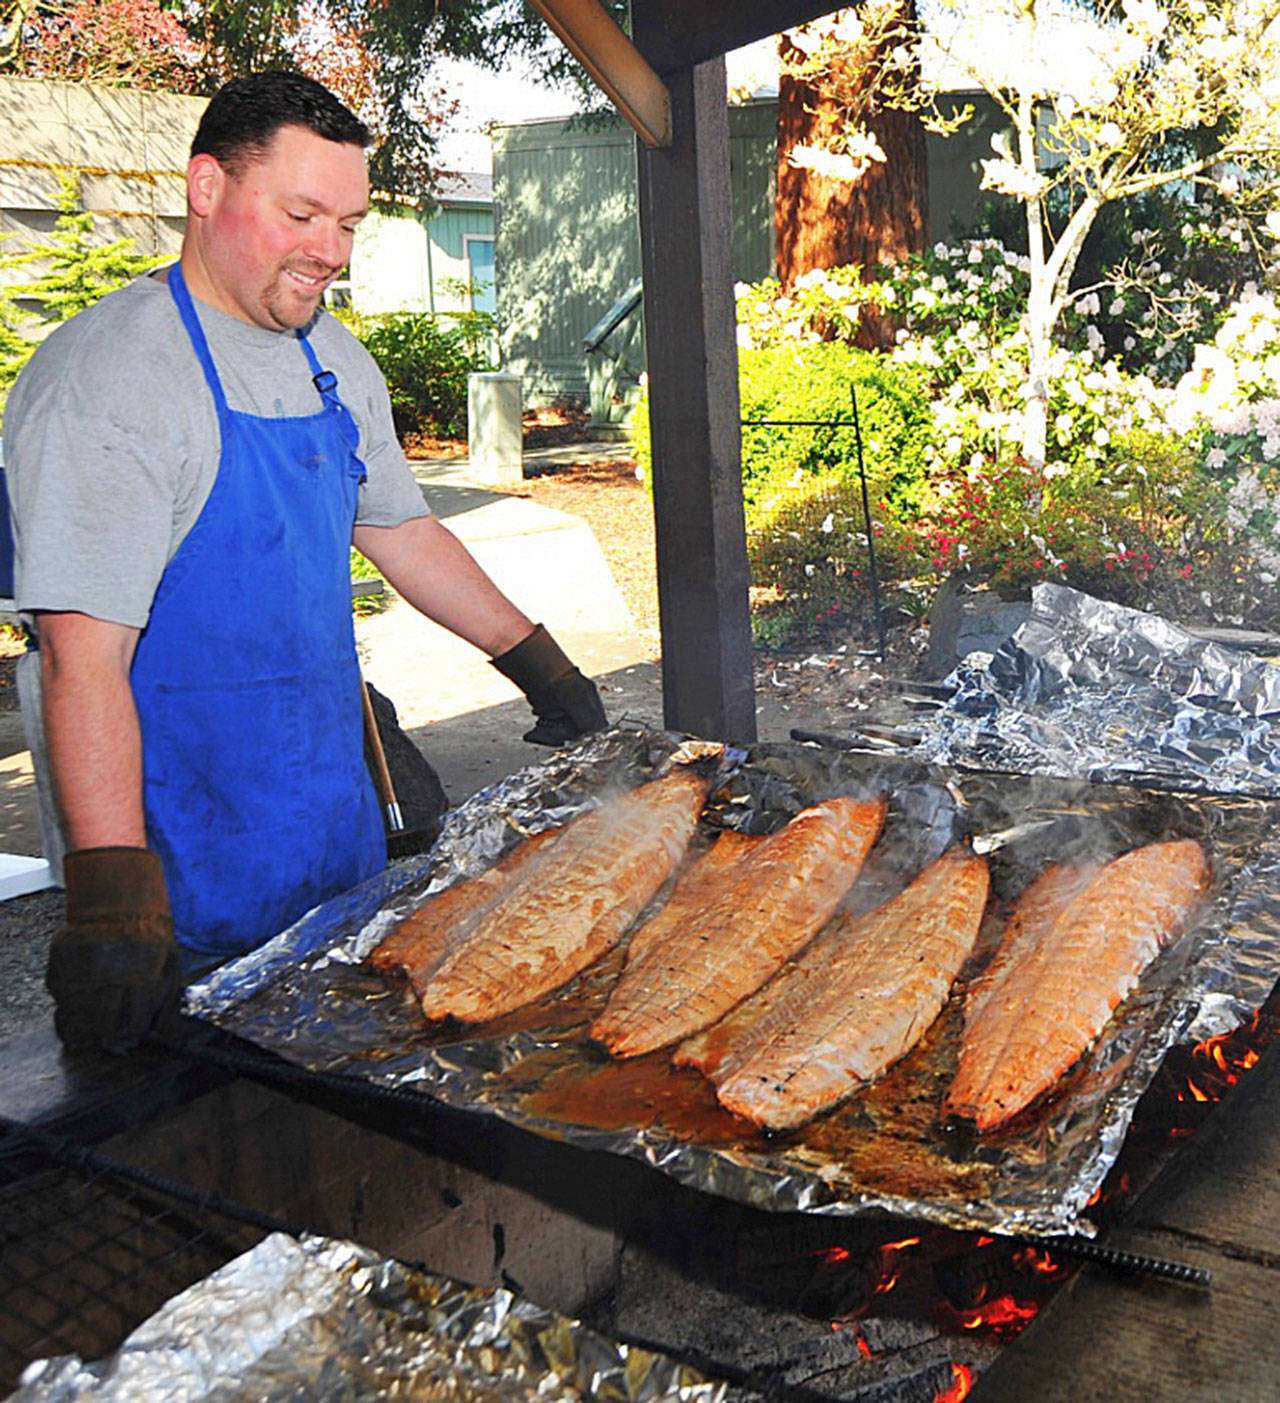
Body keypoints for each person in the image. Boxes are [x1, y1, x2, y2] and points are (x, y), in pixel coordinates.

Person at [3, 70, 606, 1055]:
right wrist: (114, 906)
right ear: (207, 187)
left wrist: (538, 663)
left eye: (350, 223)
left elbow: (402, 531)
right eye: (302, 214)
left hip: (328, 823)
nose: (330, 251)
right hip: (179, 855)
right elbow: (83, 663)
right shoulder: (109, 382)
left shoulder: (331, 356)